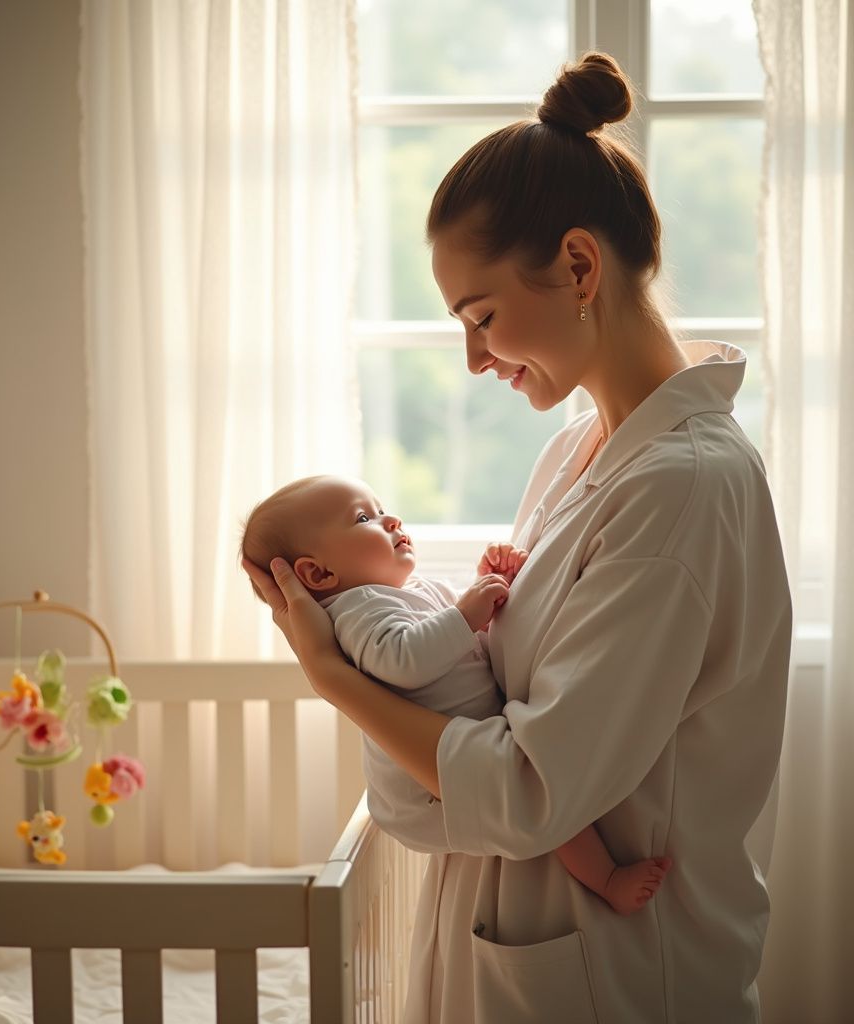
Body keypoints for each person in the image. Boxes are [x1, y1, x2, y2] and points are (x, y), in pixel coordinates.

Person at [244, 50, 791, 1023]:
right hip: (525, 944)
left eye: (482, 316)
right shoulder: (582, 449)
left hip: (617, 975)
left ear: (578, 265)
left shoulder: (683, 492)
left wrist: (333, 676)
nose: (471, 357)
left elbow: (532, 788)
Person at [240, 474, 672, 915]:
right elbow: (403, 658)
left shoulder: (408, 592)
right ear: (319, 573)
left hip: (465, 745)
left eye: (381, 506)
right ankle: (607, 879)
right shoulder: (356, 611)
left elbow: (467, 638)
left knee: (553, 803)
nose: (391, 519)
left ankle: (606, 876)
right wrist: (466, 613)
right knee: (551, 813)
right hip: (427, 790)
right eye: (364, 517)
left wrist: (491, 585)